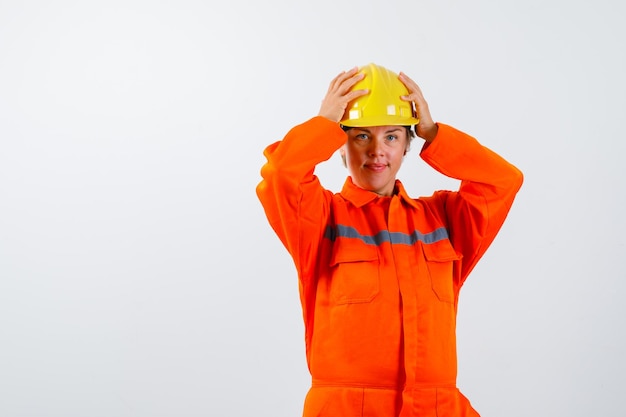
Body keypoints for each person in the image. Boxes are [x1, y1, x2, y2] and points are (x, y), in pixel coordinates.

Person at [256, 63, 523, 417]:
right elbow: (281, 174)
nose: (377, 151)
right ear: (342, 144)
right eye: (361, 136)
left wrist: (434, 133)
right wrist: (323, 124)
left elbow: (503, 181)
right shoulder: (320, 218)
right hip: (347, 409)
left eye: (392, 136)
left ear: (407, 145)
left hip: (436, 406)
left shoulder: (443, 218)